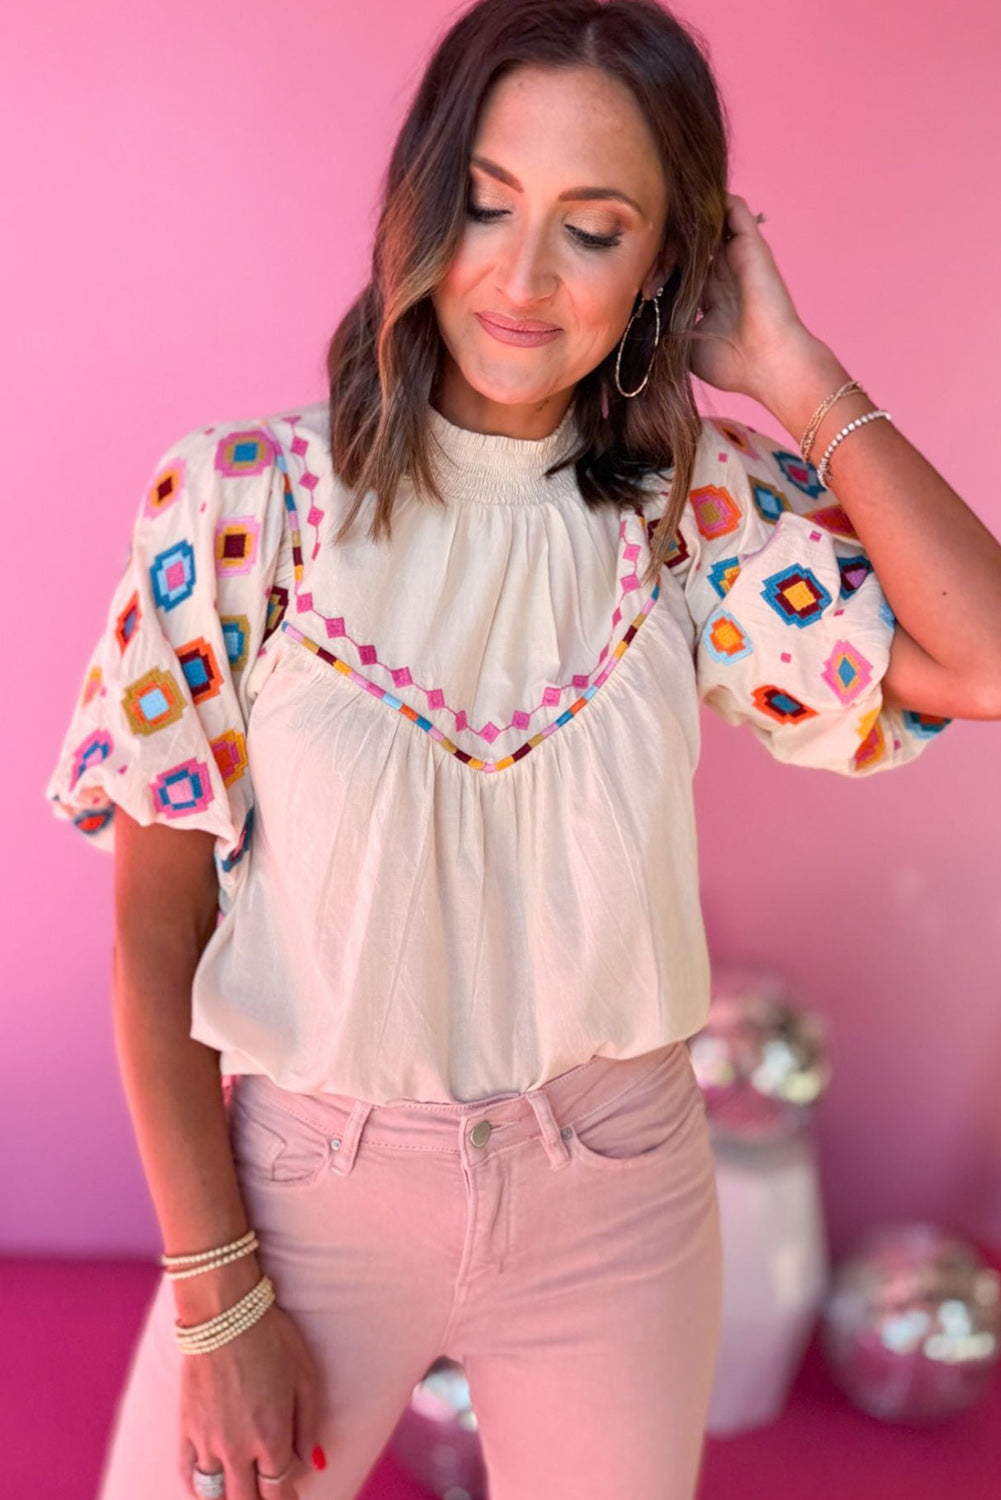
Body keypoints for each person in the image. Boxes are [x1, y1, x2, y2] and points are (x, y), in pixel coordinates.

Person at [44, 2, 1000, 1498]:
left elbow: (985, 657)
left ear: (665, 267)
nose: (523, 274)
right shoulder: (243, 502)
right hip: (307, 1197)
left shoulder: (689, 514)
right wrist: (219, 1290)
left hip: (617, 1199)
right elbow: (156, 922)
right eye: (487, 203)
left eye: (595, 228)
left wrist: (793, 372)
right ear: (422, 200)